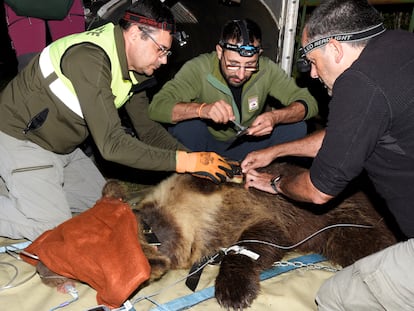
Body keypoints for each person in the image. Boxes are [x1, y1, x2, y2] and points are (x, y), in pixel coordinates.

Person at [0, 0, 233, 241]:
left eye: (167, 52)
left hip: (63, 149)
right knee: (53, 229)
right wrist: (185, 162)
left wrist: (198, 162)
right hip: (22, 140)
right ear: (134, 34)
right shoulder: (89, 59)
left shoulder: (133, 68)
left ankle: (20, 187)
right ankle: (25, 188)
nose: (164, 60)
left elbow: (148, 130)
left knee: (108, 210)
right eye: (160, 50)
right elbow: (111, 145)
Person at [242, 0, 414, 309]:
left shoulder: (359, 83)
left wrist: (275, 184)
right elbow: (345, 137)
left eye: (311, 60)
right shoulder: (401, 44)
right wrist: (276, 150)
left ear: (334, 48)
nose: (310, 73)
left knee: (334, 297)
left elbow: (319, 190)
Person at [148, 18, 318, 161]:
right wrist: (202, 110)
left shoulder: (266, 69)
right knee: (187, 127)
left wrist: (275, 117)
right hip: (206, 148)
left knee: (296, 126)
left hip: (247, 145)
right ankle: (197, 174)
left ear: (259, 55)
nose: (241, 74)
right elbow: (157, 107)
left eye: (250, 65)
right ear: (220, 52)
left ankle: (262, 167)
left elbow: (309, 102)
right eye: (233, 64)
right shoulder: (199, 68)